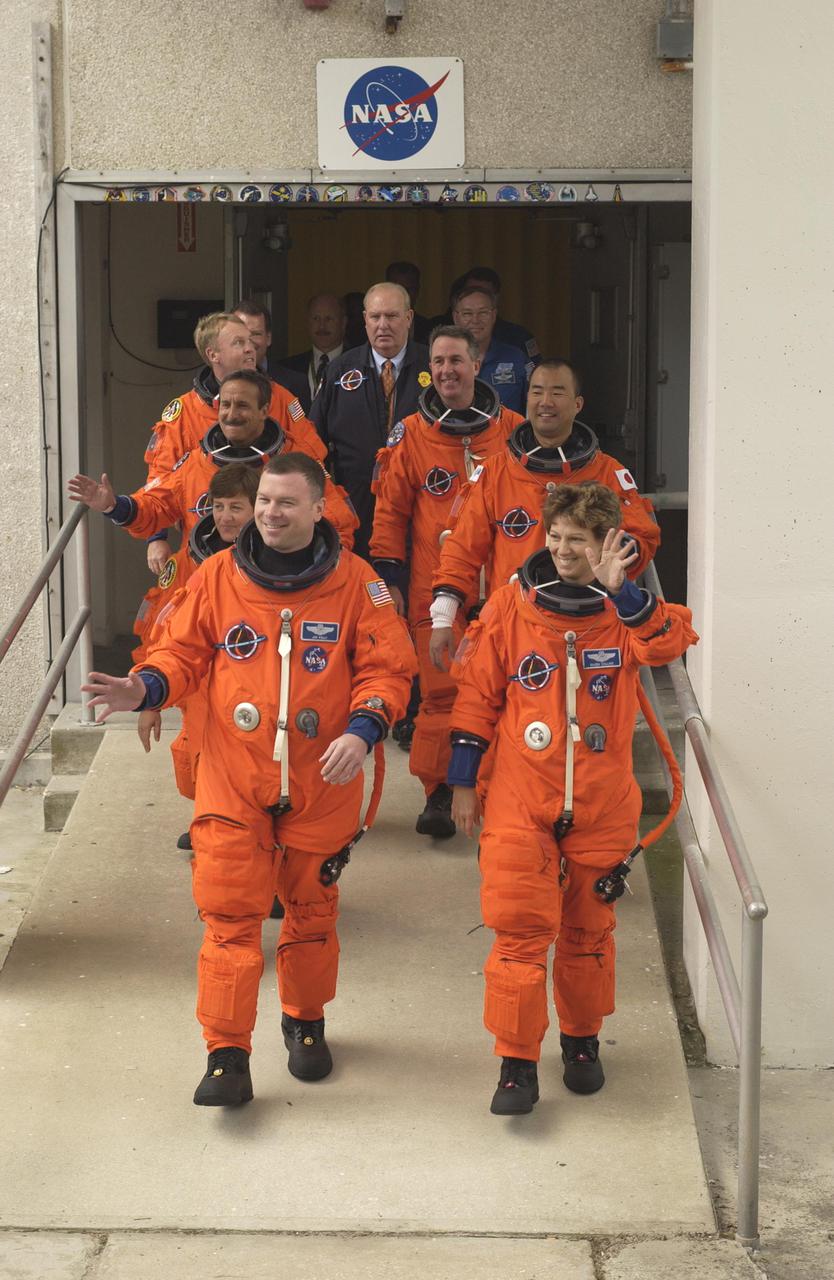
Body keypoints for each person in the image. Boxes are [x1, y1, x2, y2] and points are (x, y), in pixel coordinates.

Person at [81, 453, 417, 1107]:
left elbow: (388, 668)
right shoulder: (216, 579)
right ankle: (226, 1054)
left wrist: (364, 729)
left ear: (320, 510)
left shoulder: (357, 586)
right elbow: (181, 649)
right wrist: (145, 685)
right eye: (263, 501)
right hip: (235, 776)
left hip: (323, 776)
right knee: (230, 917)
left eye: (286, 503)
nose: (269, 513)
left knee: (311, 913)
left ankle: (306, 1023)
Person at [447, 482, 697, 1115]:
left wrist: (625, 593)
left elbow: (667, 645)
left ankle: (582, 1042)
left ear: (607, 543)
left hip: (601, 802)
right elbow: (477, 695)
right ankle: (516, 1062)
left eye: (577, 541)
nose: (561, 551)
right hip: (519, 799)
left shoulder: (627, 611)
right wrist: (460, 782)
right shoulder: (510, 606)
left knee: (587, 935)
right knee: (519, 933)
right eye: (554, 537)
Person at [369, 325, 523, 838]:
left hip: (505, 593)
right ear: (428, 369)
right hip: (431, 591)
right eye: (438, 362)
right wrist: (388, 576)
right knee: (438, 699)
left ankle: (499, 788)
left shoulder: (514, 432)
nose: (447, 371)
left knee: (506, 695)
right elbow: (389, 514)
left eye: (457, 360)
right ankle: (437, 792)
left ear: (477, 366)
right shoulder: (411, 434)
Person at [428, 359, 661, 671]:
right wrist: (443, 616)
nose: (545, 402)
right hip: (513, 623)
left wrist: (613, 562)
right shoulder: (495, 473)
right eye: (537, 392)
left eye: (557, 393)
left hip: (592, 629)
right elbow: (462, 548)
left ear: (578, 404)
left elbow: (642, 539)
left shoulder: (607, 472)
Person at [69, 370, 358, 553]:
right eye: (226, 405)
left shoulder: (296, 464)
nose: (231, 414)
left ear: (264, 411)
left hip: (280, 589)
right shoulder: (195, 463)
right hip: (207, 580)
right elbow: (154, 508)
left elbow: (338, 526)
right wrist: (111, 505)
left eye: (243, 405)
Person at [143, 312, 327, 571]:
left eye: (251, 341)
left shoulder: (281, 399)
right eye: (239, 343)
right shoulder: (184, 412)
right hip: (203, 542)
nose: (251, 348)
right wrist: (157, 538)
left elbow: (313, 465)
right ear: (213, 354)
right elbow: (159, 480)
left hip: (271, 537)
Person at [134, 462, 259, 819]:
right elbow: (163, 631)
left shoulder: (282, 568)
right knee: (197, 768)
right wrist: (150, 699)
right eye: (218, 507)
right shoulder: (191, 563)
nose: (225, 517)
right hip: (201, 687)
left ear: (259, 508)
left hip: (253, 685)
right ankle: (209, 820)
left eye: (236, 507)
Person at [310, 282, 430, 560]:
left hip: (419, 505)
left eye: (392, 316)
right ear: (364, 320)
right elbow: (312, 442)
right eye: (375, 317)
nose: (383, 325)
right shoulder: (340, 369)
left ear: (409, 318)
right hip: (355, 506)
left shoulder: (433, 365)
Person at [452, 285, 531, 415]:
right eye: (467, 314)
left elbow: (536, 404)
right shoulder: (442, 362)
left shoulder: (517, 358)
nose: (475, 320)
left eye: (483, 313)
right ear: (456, 317)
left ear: (494, 315)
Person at [232, 298, 308, 408]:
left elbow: (299, 423)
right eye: (240, 334)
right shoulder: (213, 383)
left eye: (255, 334)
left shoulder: (295, 385)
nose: (248, 344)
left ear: (268, 338)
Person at [278, 293, 348, 413]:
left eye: (329, 319)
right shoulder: (287, 368)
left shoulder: (358, 365)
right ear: (307, 322)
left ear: (343, 322)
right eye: (315, 318)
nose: (322, 326)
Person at [385, 260, 432, 345]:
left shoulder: (430, 329)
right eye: (398, 289)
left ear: (418, 290)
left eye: (409, 289)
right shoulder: (371, 327)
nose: (403, 295)